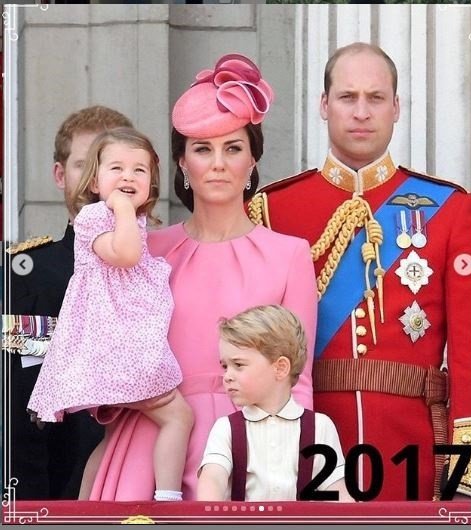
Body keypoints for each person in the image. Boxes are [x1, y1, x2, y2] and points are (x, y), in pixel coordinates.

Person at [247, 43, 471, 501]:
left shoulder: (451, 210)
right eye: (347, 97)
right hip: (305, 441)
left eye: (375, 98)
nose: (361, 112)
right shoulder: (272, 210)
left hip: (413, 442)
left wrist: (465, 478)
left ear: (396, 108)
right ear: (323, 105)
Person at [87, 53, 317, 501]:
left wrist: (295, 464)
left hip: (252, 446)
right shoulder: (145, 250)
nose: (217, 163)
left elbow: (299, 381)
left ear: (253, 161)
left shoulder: (290, 255)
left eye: (233, 148)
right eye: (202, 149)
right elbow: (101, 342)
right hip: (152, 446)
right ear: (181, 164)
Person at [27, 128, 194, 502]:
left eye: (140, 170)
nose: (128, 177)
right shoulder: (93, 217)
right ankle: (168, 497)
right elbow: (126, 255)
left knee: (113, 436)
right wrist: (121, 208)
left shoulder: (127, 221)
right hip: (116, 350)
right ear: (95, 180)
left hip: (120, 347)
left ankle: (87, 504)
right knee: (178, 417)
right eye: (116, 168)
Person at [6, 105, 132, 500]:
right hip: (53, 495)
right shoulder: (23, 276)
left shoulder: (165, 269)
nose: (98, 183)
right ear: (60, 175)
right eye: (84, 165)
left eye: (110, 166)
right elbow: (17, 410)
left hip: (143, 487)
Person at [197, 305, 351, 502]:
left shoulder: (320, 427)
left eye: (238, 365)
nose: (227, 376)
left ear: (280, 368)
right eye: (225, 366)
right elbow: (213, 479)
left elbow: (336, 490)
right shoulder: (226, 428)